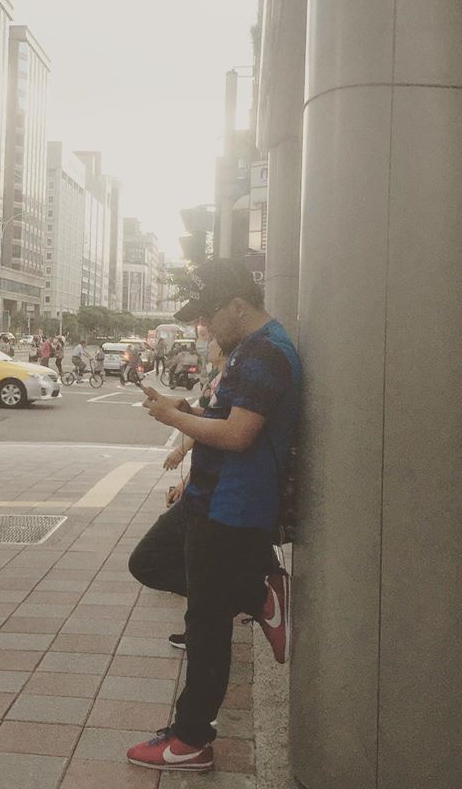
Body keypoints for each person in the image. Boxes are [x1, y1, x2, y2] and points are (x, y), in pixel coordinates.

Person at [125, 258, 302, 774]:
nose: (203, 325)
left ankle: (191, 740)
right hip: (208, 495)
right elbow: (226, 420)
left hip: (233, 506)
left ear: (238, 305)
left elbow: (240, 435)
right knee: (149, 562)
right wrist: (187, 410)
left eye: (207, 313)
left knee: (205, 625)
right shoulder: (248, 349)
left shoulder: (266, 353)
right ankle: (255, 593)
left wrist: (175, 418)